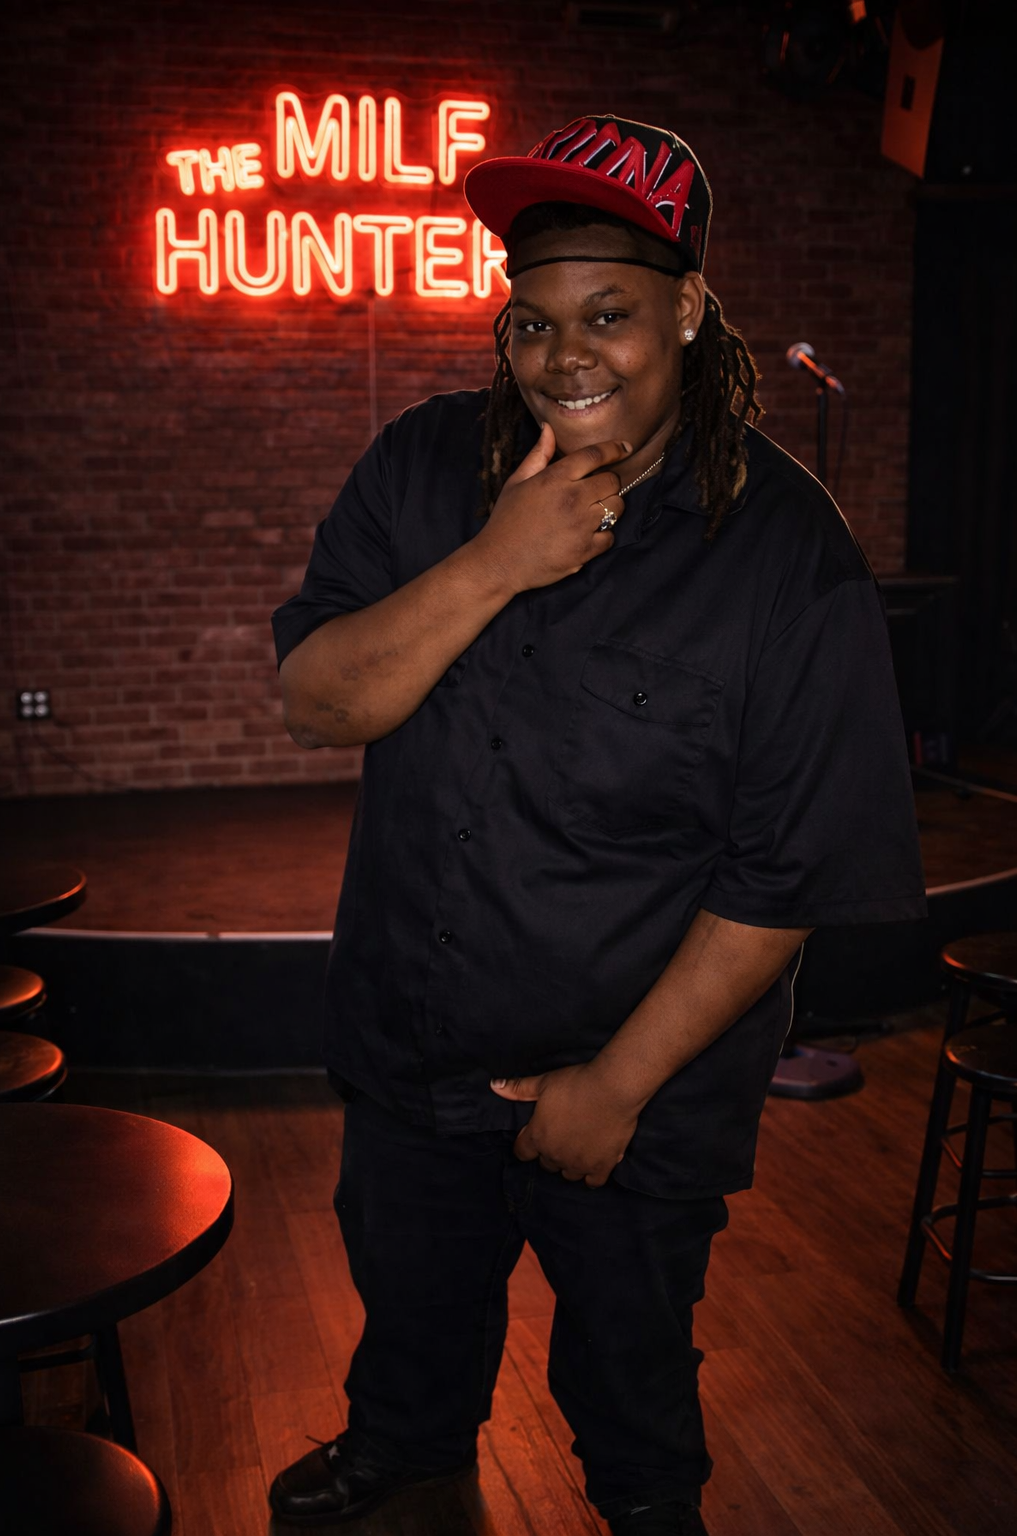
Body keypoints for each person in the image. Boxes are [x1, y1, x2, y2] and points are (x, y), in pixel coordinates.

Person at [268, 115, 926, 1534]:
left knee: (635, 1415)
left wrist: (612, 1087)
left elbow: (784, 874)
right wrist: (496, 565)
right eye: (534, 320)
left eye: (611, 314)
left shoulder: (787, 557)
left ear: (690, 308)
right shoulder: (424, 471)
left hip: (634, 1099)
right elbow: (320, 702)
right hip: (412, 1061)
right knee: (407, 1362)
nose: (567, 355)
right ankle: (399, 1461)